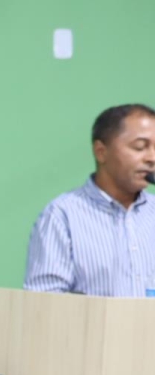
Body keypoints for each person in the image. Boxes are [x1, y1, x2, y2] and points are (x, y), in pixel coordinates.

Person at [24, 104, 155, 296]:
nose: (152, 158)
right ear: (101, 151)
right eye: (140, 147)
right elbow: (43, 302)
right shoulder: (62, 216)